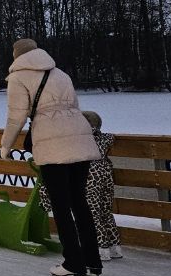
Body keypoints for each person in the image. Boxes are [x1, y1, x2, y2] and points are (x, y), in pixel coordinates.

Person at [1, 38, 104, 276]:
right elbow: (76, 108)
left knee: (61, 204)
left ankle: (73, 263)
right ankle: (92, 261)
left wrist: (6, 145)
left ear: (16, 56)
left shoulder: (18, 77)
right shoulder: (60, 73)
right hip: (80, 138)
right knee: (79, 201)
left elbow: (16, 117)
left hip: (51, 142)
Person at [40, 110, 122, 261]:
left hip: (89, 175)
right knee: (105, 211)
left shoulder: (80, 139)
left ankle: (100, 248)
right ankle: (115, 247)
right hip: (105, 173)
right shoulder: (104, 138)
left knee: (92, 212)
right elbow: (110, 137)